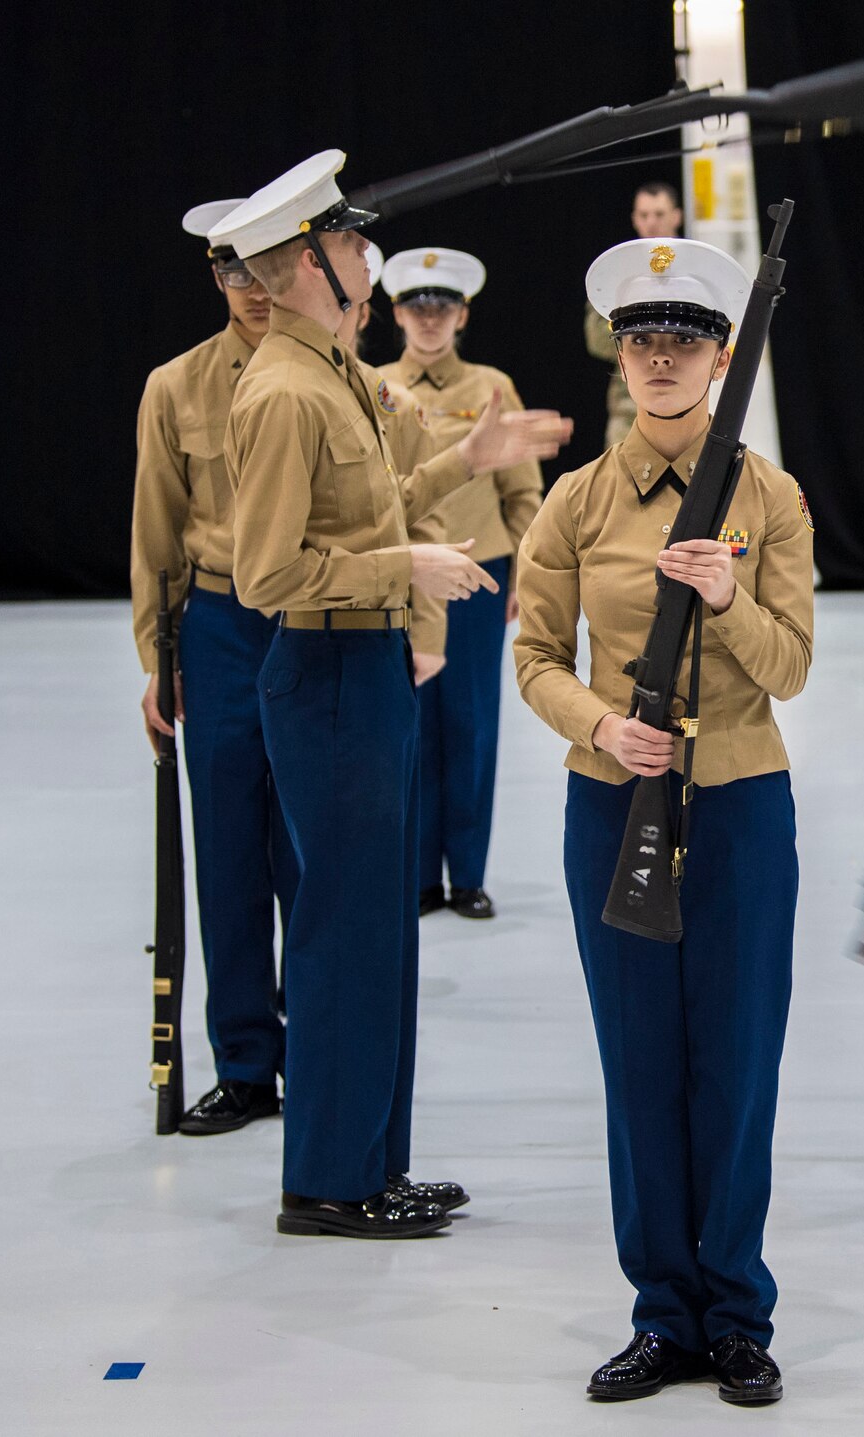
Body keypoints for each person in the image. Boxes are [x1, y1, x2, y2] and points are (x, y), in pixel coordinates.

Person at [211, 150, 572, 1239]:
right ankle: (326, 1179)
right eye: (352, 239)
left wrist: (465, 460)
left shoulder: (331, 371)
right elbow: (264, 575)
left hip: (359, 670)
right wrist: (400, 570)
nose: (369, 251)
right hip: (325, 671)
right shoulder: (281, 390)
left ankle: (370, 1161)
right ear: (307, 263)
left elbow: (368, 510)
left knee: (380, 932)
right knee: (342, 929)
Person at [516, 237, 813, 1403]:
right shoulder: (578, 501)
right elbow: (535, 657)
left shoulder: (768, 498)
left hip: (739, 806)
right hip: (614, 808)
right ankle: (660, 1313)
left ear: (719, 357)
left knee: (733, 1066)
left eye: (681, 342)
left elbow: (790, 669)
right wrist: (597, 726)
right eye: (639, 341)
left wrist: (728, 599)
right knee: (638, 1067)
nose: (657, 361)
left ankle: (735, 1312)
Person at [129, 198, 298, 1136]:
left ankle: (322, 1051)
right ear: (216, 278)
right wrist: (159, 657)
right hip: (222, 626)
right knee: (229, 850)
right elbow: (156, 531)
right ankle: (246, 1062)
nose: (254, 291)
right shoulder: (177, 387)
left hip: (316, 619)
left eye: (269, 269)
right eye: (236, 274)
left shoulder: (335, 371)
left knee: (310, 852)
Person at [380, 248, 545, 920]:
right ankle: (418, 873)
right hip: (405, 575)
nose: (429, 319)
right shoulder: (377, 386)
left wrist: (524, 579)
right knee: (409, 721)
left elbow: (524, 492)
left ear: (462, 314)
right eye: (417, 307)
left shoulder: (491, 388)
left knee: (472, 720)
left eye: (441, 307)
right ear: (394, 312)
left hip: (481, 577)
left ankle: (468, 874)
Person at [586, 181, 683, 448]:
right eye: (644, 215)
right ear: (634, 219)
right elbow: (596, 339)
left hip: (687, 405)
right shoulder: (617, 273)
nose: (651, 222)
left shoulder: (694, 271)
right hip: (630, 408)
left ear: (677, 216)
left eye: (659, 214)